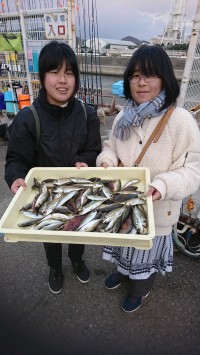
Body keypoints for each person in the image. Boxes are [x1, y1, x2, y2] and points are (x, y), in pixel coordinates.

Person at [96, 45, 200, 313]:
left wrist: (162, 185)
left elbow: (192, 171)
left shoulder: (181, 121)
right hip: (122, 204)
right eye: (135, 75)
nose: (141, 82)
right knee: (123, 246)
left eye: (150, 75)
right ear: (129, 79)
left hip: (157, 210)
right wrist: (106, 162)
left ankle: (140, 291)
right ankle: (122, 273)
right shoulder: (123, 116)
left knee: (145, 253)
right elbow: (111, 146)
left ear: (164, 78)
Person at [5, 41, 102, 294]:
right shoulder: (28, 118)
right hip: (46, 194)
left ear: (76, 78)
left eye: (69, 73)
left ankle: (77, 259)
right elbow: (16, 159)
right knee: (50, 233)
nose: (63, 80)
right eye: (55, 72)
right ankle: (55, 267)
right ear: (42, 76)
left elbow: (94, 151)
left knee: (79, 227)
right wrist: (15, 177)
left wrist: (87, 162)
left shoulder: (87, 113)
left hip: (80, 190)